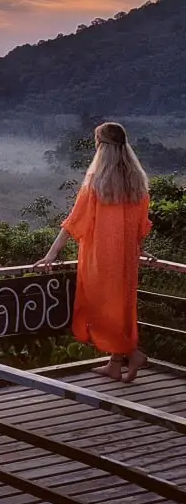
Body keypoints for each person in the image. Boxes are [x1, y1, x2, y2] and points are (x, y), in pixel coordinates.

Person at [34, 121, 156, 382]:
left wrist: (52, 254)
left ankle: (132, 354)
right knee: (119, 308)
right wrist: (139, 249)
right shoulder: (137, 182)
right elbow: (139, 225)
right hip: (126, 259)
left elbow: (74, 222)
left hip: (101, 258)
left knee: (99, 308)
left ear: (102, 147)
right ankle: (115, 364)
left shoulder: (96, 183)